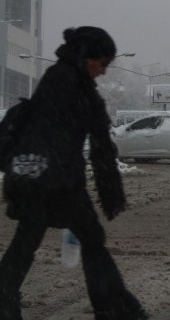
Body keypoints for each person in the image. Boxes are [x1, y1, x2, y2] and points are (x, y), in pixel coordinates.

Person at [0, 27, 147, 320]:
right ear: (87, 57)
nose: (104, 71)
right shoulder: (66, 81)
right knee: (90, 238)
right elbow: (54, 136)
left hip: (42, 178)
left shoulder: (66, 79)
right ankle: (112, 308)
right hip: (53, 182)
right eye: (103, 63)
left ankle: (4, 298)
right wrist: (72, 180)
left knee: (28, 241)